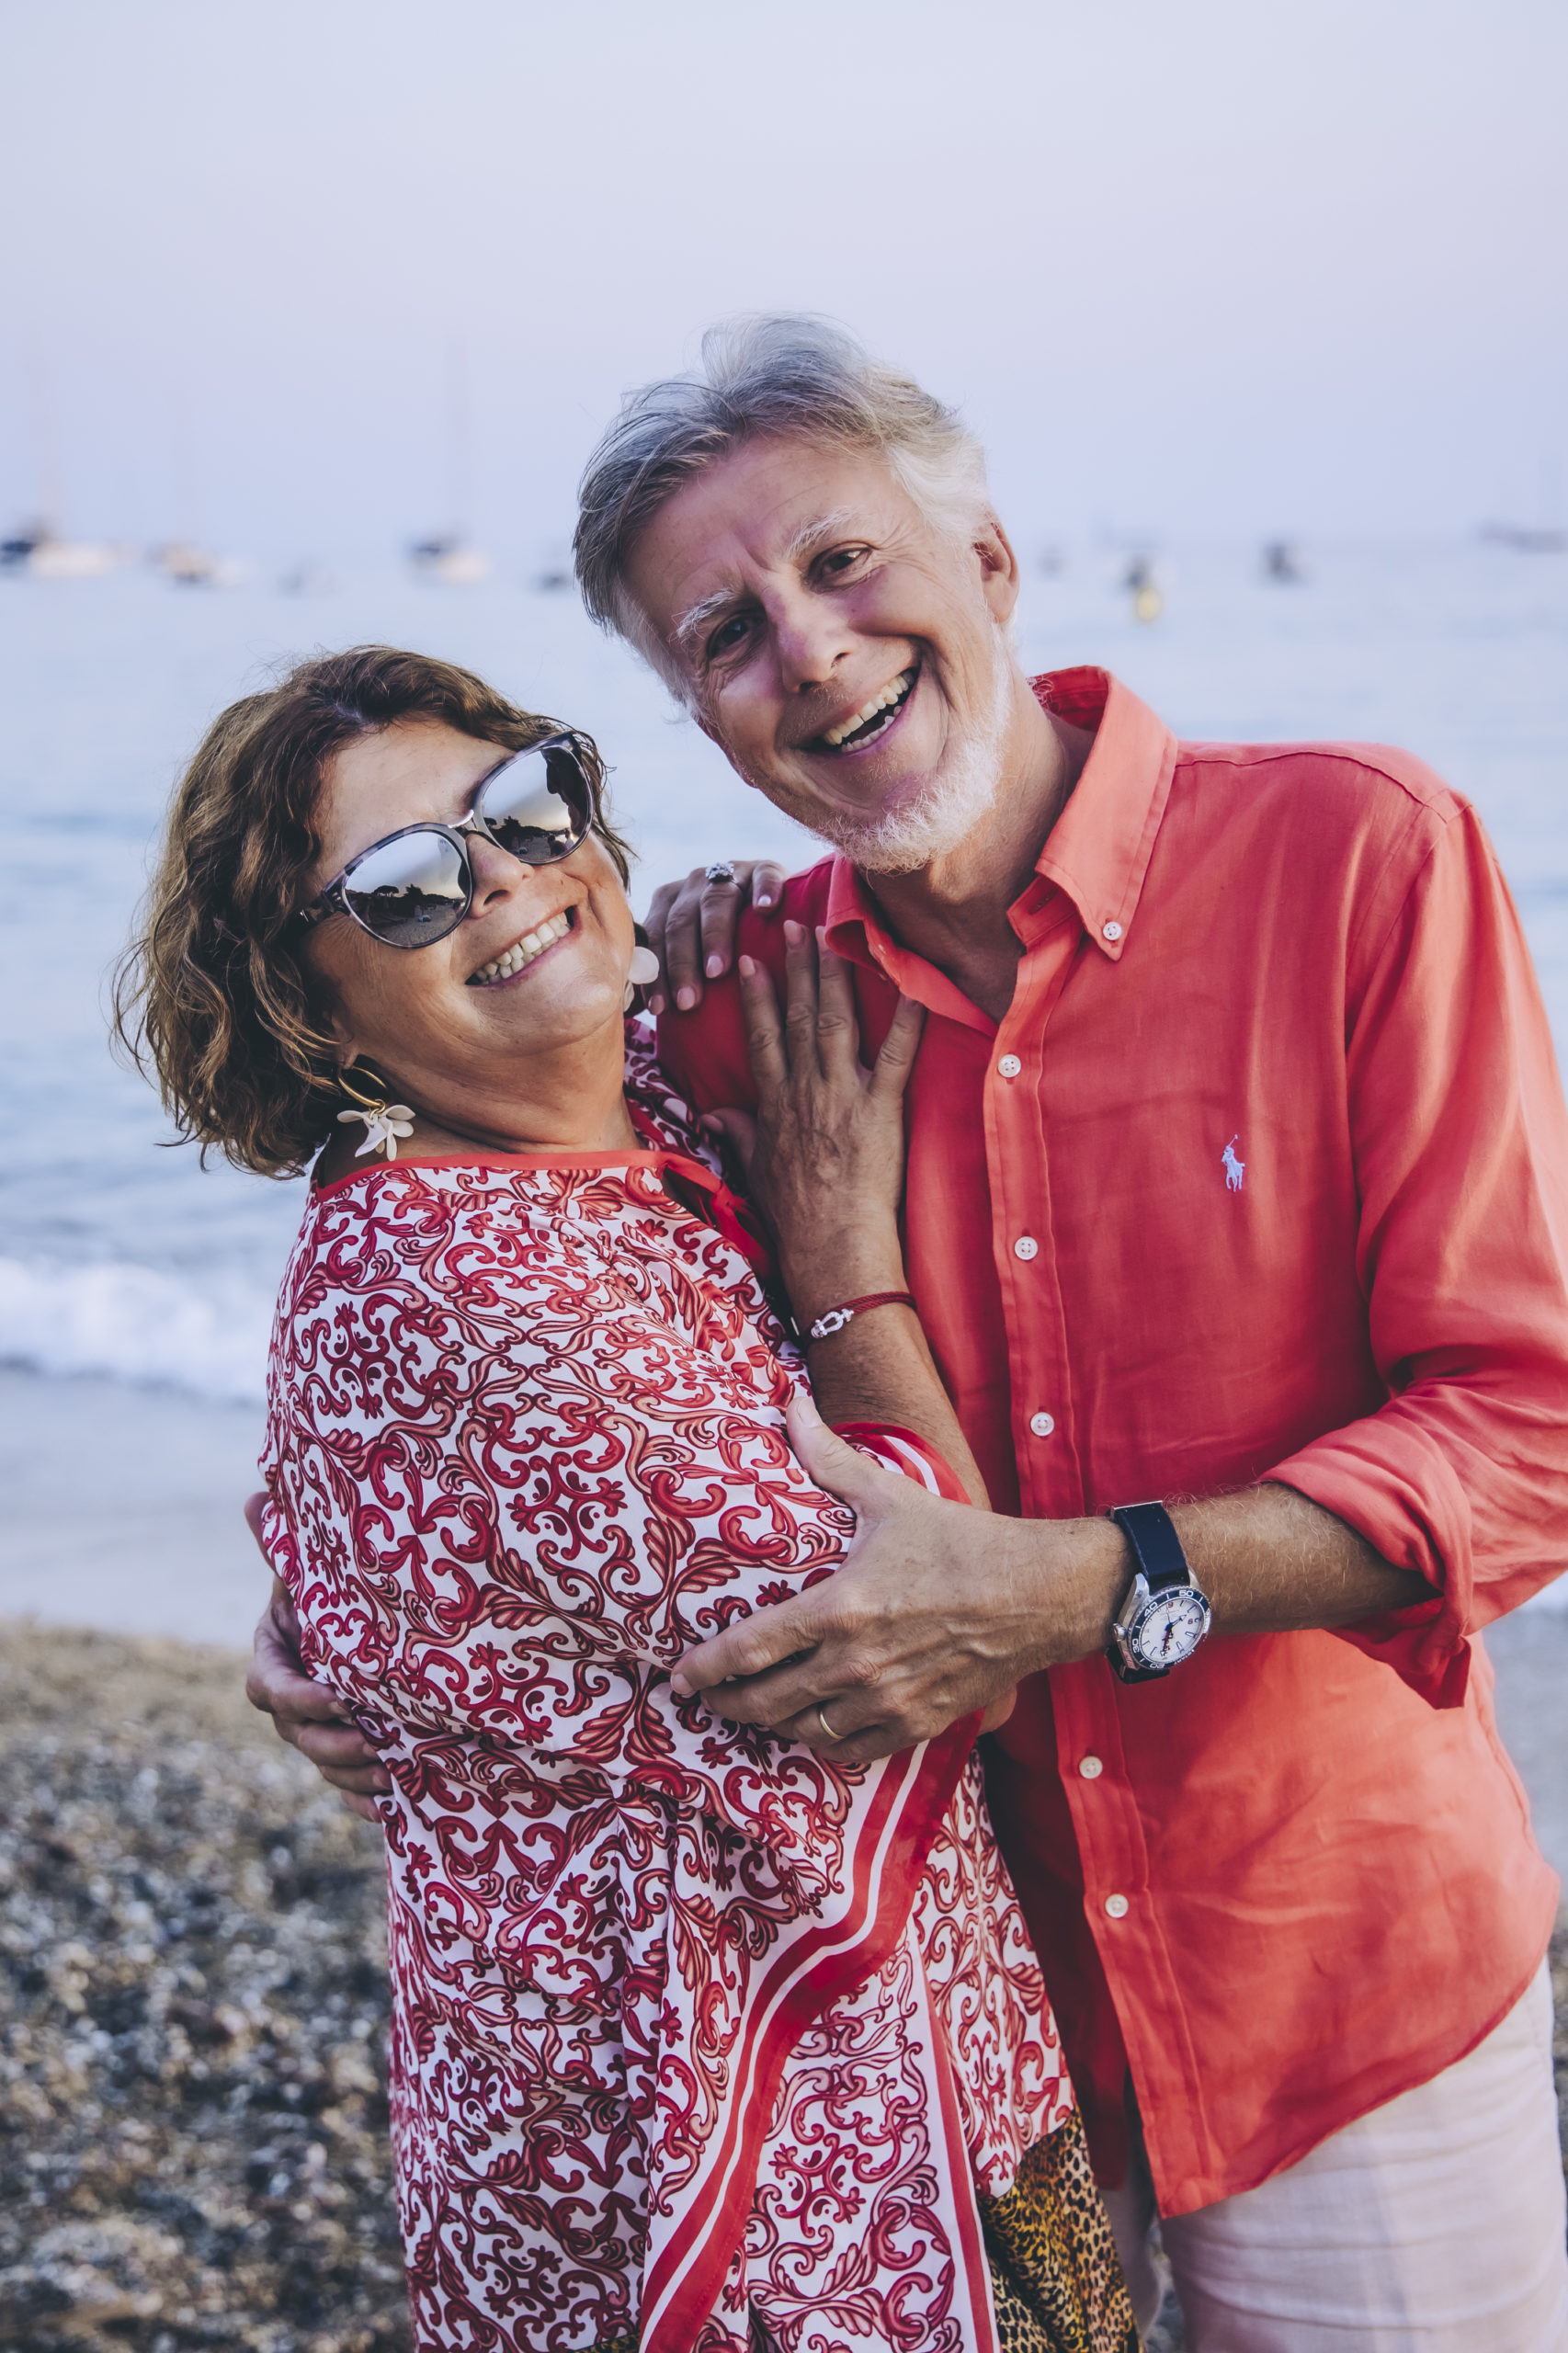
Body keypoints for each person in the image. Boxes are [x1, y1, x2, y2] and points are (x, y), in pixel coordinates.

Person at [249, 324, 1568, 2349]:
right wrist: (338, 1612)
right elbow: (512, 1303)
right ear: (700, 719)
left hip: (1340, 1986)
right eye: (725, 632)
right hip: (952, 2040)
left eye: (843, 561)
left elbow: (1529, 1425)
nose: (810, 648)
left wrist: (1090, 1580)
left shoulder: (1358, 856)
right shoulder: (716, 1003)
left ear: (991, 561)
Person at [120, 645, 1138, 2353]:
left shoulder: (610, 1109)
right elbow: (937, 1632)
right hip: (722, 2134)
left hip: (866, 2039)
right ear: (308, 1007)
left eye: (527, 806)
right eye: (404, 886)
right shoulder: (448, 1283)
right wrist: (844, 1267)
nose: (503, 878)